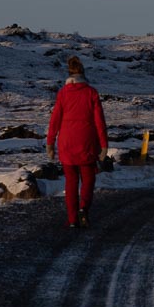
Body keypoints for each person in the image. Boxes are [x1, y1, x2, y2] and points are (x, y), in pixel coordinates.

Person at [47, 56, 110, 228]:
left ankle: (73, 219)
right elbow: (99, 122)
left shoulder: (62, 94)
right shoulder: (91, 93)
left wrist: (50, 143)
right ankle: (84, 208)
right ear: (83, 74)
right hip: (87, 142)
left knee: (71, 182)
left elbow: (55, 120)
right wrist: (104, 145)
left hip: (66, 143)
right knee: (88, 180)